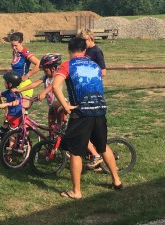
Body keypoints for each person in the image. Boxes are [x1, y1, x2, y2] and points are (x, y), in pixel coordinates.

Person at [52, 37, 122, 199]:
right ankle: (116, 180)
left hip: (81, 112)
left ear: (69, 50)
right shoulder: (95, 65)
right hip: (100, 110)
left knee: (75, 152)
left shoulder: (67, 65)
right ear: (85, 50)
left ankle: (76, 191)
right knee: (102, 146)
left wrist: (66, 105)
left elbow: (56, 86)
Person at [77, 29, 108, 169]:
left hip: (93, 91)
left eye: (84, 41)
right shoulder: (85, 51)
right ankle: (93, 156)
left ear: (90, 39)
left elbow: (103, 72)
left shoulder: (96, 52)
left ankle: (98, 155)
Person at [12, 53, 64, 131]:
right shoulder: (46, 77)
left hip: (59, 106)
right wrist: (19, 90)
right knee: (51, 130)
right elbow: (35, 84)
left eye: (46, 70)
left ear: (53, 69)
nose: (44, 72)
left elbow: (53, 86)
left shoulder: (58, 77)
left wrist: (44, 93)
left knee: (59, 130)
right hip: (51, 107)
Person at [9, 32, 40, 109]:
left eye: (16, 45)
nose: (13, 48)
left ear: (21, 43)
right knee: (13, 112)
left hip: (24, 85)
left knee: (21, 111)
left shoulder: (25, 53)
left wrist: (27, 75)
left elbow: (39, 64)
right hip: (15, 84)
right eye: (12, 45)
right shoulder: (15, 52)